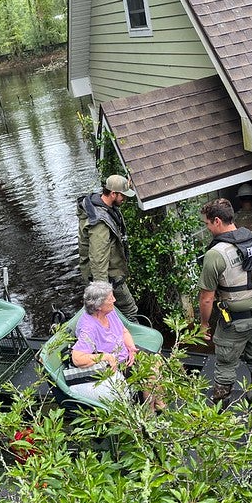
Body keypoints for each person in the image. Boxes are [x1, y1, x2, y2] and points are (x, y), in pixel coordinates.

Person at [198, 198, 252, 405]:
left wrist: (204, 324)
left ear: (217, 221)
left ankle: (220, 410)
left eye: (207, 223)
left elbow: (207, 299)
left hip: (236, 321)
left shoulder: (215, 255)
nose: (207, 228)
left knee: (225, 363)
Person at [71, 281, 163, 409]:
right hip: (117, 364)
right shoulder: (89, 327)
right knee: (150, 372)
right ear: (99, 306)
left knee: (158, 360)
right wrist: (106, 357)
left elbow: (124, 331)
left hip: (126, 352)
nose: (114, 300)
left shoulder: (109, 311)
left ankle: (158, 401)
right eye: (110, 298)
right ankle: (149, 411)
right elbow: (77, 358)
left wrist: (131, 347)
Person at [77, 174, 138, 320]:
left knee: (112, 314)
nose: (125, 199)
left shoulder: (101, 204)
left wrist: (124, 183)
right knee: (130, 310)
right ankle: (138, 340)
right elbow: (98, 261)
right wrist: (104, 293)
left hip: (112, 272)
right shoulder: (99, 225)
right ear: (112, 194)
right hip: (109, 278)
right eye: (122, 195)